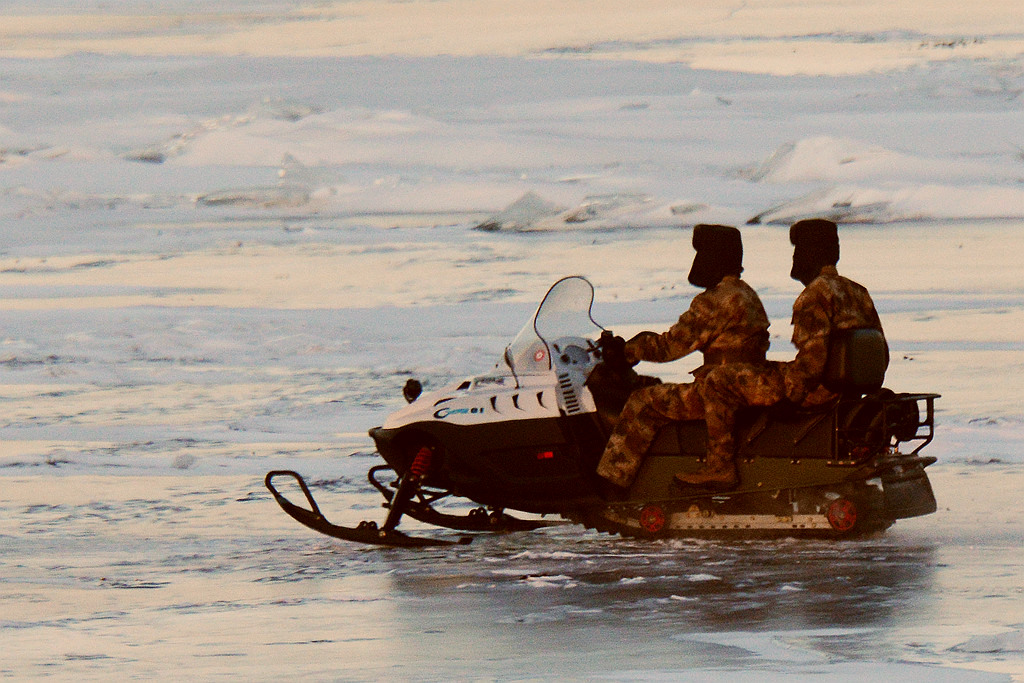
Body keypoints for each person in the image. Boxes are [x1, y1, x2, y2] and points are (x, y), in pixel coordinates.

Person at [683, 218, 885, 489]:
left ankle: (719, 467)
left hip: (818, 391)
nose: (795, 258)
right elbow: (881, 351)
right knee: (765, 371)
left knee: (719, 380)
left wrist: (791, 397)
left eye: (797, 251)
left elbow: (813, 359)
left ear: (809, 253)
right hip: (846, 390)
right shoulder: (857, 291)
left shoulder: (815, 295)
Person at [595, 224, 770, 491]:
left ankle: (613, 483)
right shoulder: (746, 293)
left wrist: (626, 352)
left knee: (643, 400)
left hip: (723, 389)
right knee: (652, 385)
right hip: (746, 383)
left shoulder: (716, 299)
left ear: (714, 257)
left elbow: (670, 347)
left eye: (702, 254)